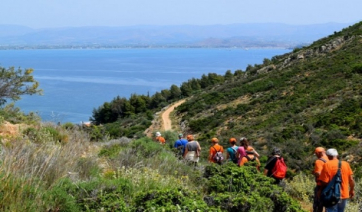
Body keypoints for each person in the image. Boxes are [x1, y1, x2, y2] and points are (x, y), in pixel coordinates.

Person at [313, 147, 329, 212]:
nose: (316, 155)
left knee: (318, 205)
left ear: (319, 153)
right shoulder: (330, 159)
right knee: (328, 206)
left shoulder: (319, 161)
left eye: (316, 154)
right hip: (330, 185)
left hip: (321, 185)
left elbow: (319, 173)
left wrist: (314, 173)